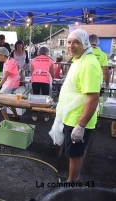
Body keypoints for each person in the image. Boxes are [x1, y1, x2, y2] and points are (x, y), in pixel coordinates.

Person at [53, 29, 102, 182]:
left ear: (85, 43)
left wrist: (81, 126)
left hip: (79, 119)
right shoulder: (79, 59)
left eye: (76, 42)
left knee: (75, 154)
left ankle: (71, 184)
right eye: (69, 42)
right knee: (72, 152)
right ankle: (71, 181)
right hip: (71, 116)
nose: (71, 46)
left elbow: (93, 98)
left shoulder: (89, 64)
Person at [0, 47, 20, 121]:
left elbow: (4, 77)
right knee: (10, 100)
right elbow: (18, 67)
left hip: (9, 85)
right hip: (16, 82)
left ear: (3, 55)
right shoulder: (12, 59)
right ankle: (15, 114)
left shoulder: (7, 64)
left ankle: (7, 121)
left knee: (0, 102)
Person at [31, 47, 54, 122]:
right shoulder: (50, 60)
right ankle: (46, 115)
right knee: (46, 98)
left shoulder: (34, 59)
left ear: (39, 52)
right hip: (45, 80)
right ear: (46, 53)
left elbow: (31, 72)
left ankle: (34, 115)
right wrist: (52, 79)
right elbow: (52, 73)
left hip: (35, 79)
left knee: (35, 97)